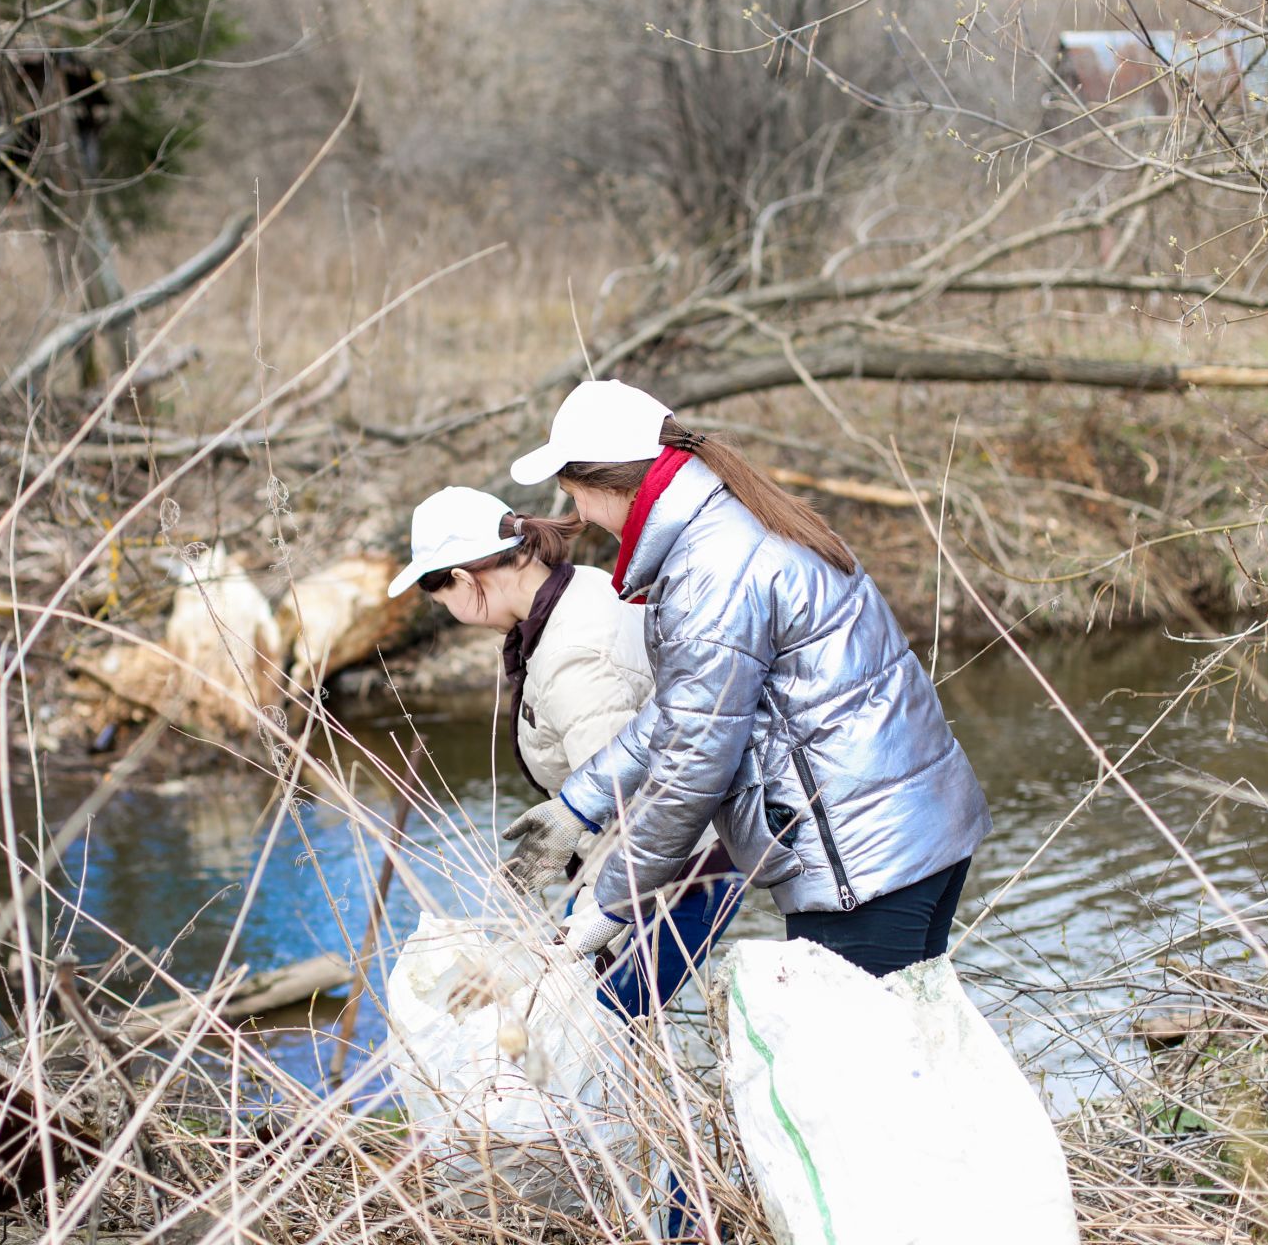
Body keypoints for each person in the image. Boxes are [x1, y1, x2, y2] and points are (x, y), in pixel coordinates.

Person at [502, 381, 991, 979]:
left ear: (608, 482)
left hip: (861, 862)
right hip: (912, 825)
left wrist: (611, 902)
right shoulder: (732, 521)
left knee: (852, 1069)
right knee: (910, 1052)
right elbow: (683, 710)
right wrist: (578, 805)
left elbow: (692, 765)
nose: (578, 516)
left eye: (575, 495)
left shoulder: (710, 571)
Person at [389, 486, 744, 1016]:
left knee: (603, 1022)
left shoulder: (574, 658)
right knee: (581, 1016)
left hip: (676, 878)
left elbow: (634, 806)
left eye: (445, 603)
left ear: (464, 581)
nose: (453, 613)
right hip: (669, 862)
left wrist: (594, 916)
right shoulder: (585, 587)